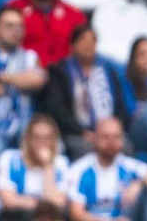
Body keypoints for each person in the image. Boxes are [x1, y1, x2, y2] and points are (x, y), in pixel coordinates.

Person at [38, 23, 129, 157]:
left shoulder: (109, 71)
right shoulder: (60, 71)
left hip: (109, 131)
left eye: (92, 40)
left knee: (126, 147)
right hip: (76, 132)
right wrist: (81, 131)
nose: (89, 45)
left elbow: (120, 105)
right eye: (83, 40)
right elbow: (56, 108)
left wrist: (111, 129)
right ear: (73, 46)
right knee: (84, 149)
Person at [67, 116, 147, 221]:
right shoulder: (80, 170)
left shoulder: (127, 165)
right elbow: (76, 214)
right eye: (106, 137)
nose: (112, 142)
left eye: (116, 137)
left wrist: (139, 183)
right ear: (94, 138)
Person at [0, 6, 48, 156]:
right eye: (9, 25)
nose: (16, 30)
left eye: (20, 26)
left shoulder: (29, 56)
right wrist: (18, 81)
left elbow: (38, 79)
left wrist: (0, 78)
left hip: (24, 126)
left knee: (52, 148)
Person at [7, 0, 86, 69]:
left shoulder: (74, 15)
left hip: (64, 77)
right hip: (24, 75)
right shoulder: (13, 10)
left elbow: (82, 50)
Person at [0, 112, 69, 221]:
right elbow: (9, 201)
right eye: (37, 137)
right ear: (27, 139)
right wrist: (41, 204)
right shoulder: (9, 158)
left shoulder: (60, 163)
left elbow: (56, 204)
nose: (42, 143)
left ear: (54, 140)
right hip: (8, 218)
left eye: (47, 138)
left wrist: (47, 167)